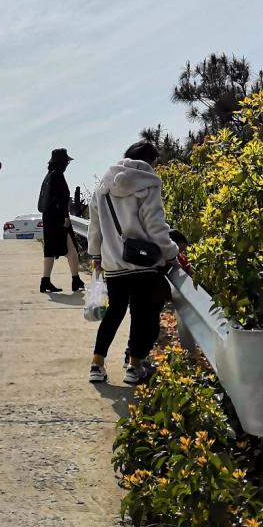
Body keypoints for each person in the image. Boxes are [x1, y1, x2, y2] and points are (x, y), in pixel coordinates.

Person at [85, 140, 180, 385]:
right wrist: (171, 253)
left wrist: (96, 256)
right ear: (151, 161)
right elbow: (155, 226)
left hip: (114, 263)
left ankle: (97, 364)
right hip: (143, 264)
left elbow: (95, 228)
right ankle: (134, 368)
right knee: (142, 315)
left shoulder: (104, 186)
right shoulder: (148, 183)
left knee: (113, 313)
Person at [37, 148, 83, 293]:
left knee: (50, 250)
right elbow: (62, 199)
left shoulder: (48, 176)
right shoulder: (58, 176)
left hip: (48, 217)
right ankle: (75, 280)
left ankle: (45, 281)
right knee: (72, 249)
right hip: (58, 218)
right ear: (62, 163)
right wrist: (66, 217)